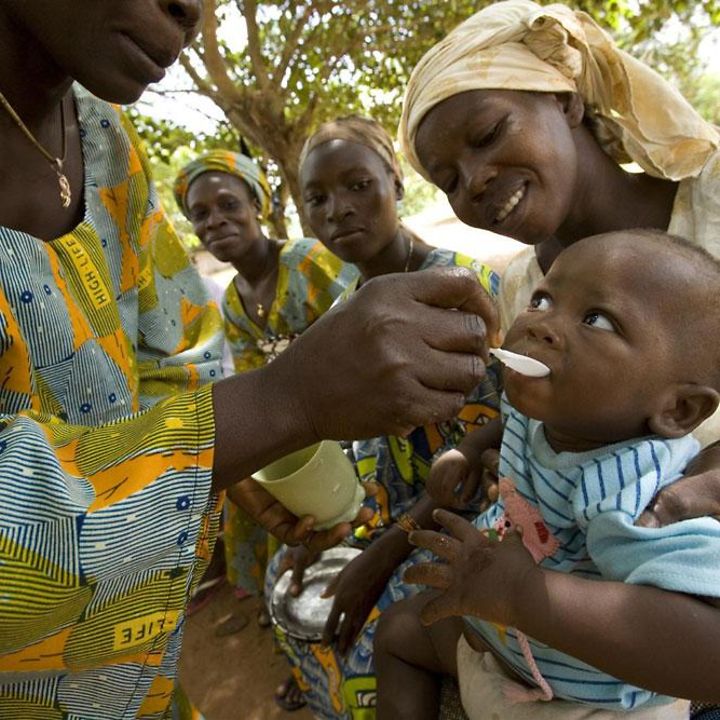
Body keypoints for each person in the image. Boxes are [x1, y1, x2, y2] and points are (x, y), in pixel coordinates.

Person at [0, 2, 502, 718]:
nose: (192, 13)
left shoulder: (104, 135)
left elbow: (178, 359)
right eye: (317, 198)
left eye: (358, 187)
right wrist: (280, 406)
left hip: (142, 650)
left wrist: (232, 468)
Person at [397, 0, 720, 617]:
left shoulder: (713, 202)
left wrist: (695, 486)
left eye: (490, 134)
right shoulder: (520, 291)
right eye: (449, 182)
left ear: (566, 101)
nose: (475, 183)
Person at [374, 229, 720, 720]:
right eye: (542, 299)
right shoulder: (555, 410)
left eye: (597, 319)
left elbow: (710, 654)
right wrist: (469, 450)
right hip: (499, 640)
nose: (542, 325)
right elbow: (510, 422)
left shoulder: (631, 489)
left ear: (679, 409)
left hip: (582, 702)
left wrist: (523, 596)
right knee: (398, 633)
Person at [264, 115, 502, 716]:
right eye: (316, 198)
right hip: (386, 504)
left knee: (372, 625)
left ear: (395, 182)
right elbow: (358, 444)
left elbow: (487, 447)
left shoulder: (462, 286)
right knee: (288, 578)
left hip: (467, 508)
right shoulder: (344, 313)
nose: (337, 210)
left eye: (357, 186)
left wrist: (386, 549)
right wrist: (328, 523)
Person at [174, 150, 358, 629]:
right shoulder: (233, 300)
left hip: (361, 416)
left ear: (256, 205)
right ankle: (280, 607)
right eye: (200, 214)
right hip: (309, 430)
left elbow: (367, 332)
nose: (214, 221)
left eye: (228, 205)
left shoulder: (303, 261)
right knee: (249, 494)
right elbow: (259, 386)